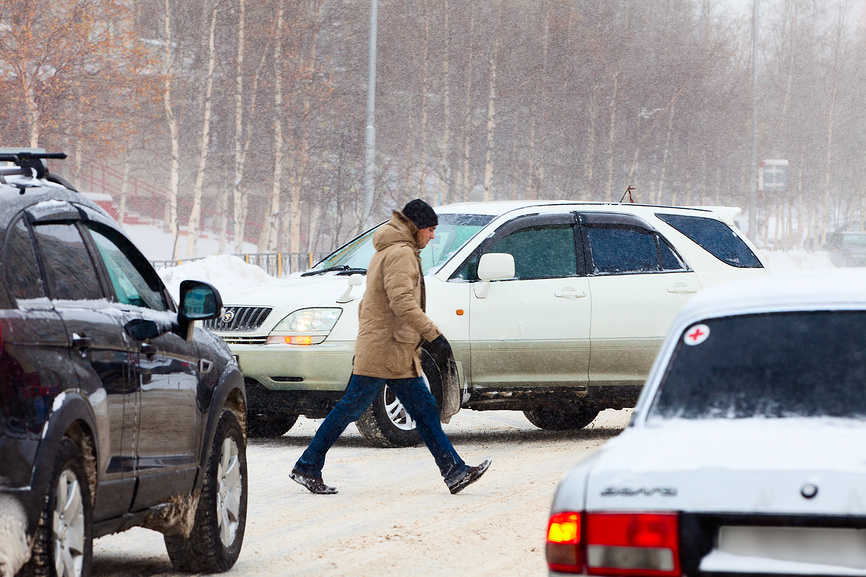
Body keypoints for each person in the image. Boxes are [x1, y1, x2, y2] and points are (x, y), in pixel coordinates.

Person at [290, 199, 491, 495]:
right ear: (417, 227)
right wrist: (434, 335)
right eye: (431, 230)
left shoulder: (394, 249)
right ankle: (307, 466)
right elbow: (401, 302)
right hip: (385, 350)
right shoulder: (401, 254)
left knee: (423, 411)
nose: (433, 236)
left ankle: (454, 471)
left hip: (394, 349)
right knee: (350, 409)